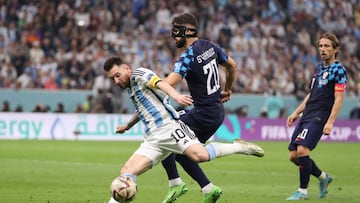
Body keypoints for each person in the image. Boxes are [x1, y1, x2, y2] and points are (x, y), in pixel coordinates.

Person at [103, 56, 264, 203]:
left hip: (170, 128)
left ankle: (239, 146)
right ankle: (176, 184)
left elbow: (160, 83)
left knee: (200, 155)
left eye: (117, 75)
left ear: (126, 67)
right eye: (112, 79)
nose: (116, 81)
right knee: (126, 173)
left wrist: (176, 96)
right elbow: (141, 110)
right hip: (152, 138)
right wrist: (128, 126)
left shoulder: (138, 74)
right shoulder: (131, 88)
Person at [160, 13, 264, 203]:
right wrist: (228, 89)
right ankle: (209, 189)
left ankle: (175, 184)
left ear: (188, 31)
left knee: (165, 133)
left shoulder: (187, 57)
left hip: (204, 113)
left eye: (177, 30)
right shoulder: (210, 46)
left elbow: (169, 83)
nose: (173, 35)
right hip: (214, 111)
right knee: (185, 154)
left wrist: (152, 87)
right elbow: (232, 65)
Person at [286, 32, 347, 200]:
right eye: (320, 46)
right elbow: (311, 95)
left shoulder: (339, 70)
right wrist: (296, 112)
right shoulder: (318, 69)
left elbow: (339, 97)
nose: (322, 49)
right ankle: (323, 177)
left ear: (336, 49)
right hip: (307, 114)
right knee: (293, 156)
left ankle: (302, 192)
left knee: (303, 149)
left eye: (327, 46)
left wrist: (330, 122)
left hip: (320, 115)